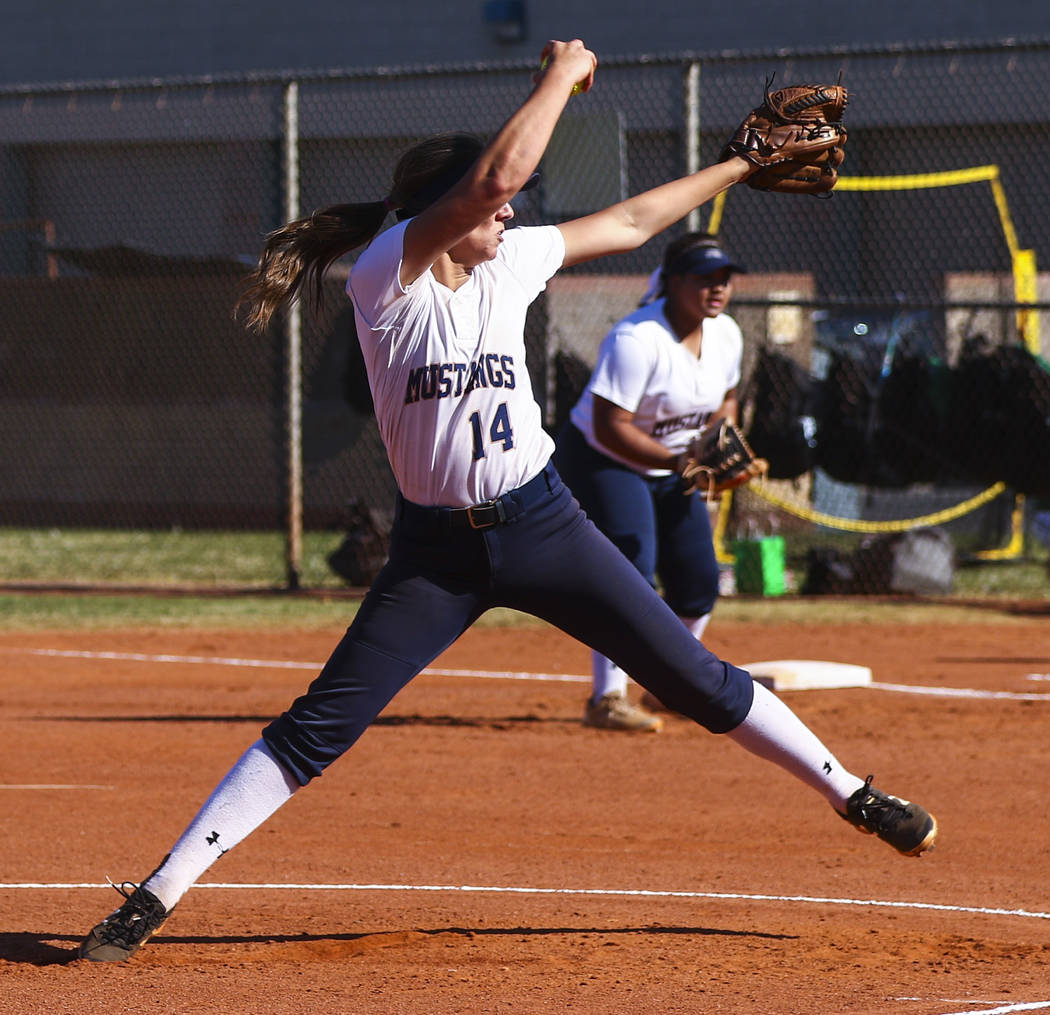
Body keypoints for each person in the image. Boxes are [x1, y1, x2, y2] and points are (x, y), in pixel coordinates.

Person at [78, 39, 937, 964]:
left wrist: (742, 162)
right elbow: (496, 177)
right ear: (439, 212)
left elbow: (635, 219)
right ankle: (155, 894)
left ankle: (853, 792)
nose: (512, 211)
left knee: (692, 676)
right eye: (492, 204)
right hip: (434, 559)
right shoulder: (385, 277)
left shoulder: (510, 263)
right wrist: (559, 78)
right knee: (319, 725)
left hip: (543, 524)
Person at [554, 231, 748, 732]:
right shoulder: (636, 339)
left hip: (676, 463)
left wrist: (717, 442)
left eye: (724, 278)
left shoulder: (726, 332)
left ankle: (674, 683)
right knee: (631, 572)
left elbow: (726, 399)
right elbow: (608, 426)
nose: (717, 287)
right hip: (606, 460)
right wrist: (683, 461)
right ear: (673, 282)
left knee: (699, 581)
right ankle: (607, 698)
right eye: (704, 278)